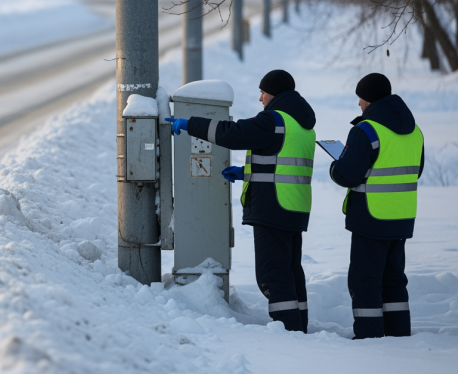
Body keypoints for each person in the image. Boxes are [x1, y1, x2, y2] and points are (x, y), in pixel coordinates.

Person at [166, 70, 316, 332]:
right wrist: (248, 173)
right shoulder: (302, 124)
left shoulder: (274, 120)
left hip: (273, 207)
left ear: (275, 93)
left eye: (264, 92)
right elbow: (283, 165)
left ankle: (289, 332)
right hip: (294, 206)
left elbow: (231, 133)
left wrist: (189, 124)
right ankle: (298, 325)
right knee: (290, 271)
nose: (261, 98)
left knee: (273, 274)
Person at [328, 73, 424, 339]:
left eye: (360, 98)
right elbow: (416, 171)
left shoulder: (366, 130)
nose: (359, 104)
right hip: (402, 216)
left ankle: (369, 338)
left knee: (365, 280)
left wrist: (336, 165)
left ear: (368, 98)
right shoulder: (414, 130)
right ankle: (398, 335)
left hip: (370, 217)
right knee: (394, 279)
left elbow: (347, 175)